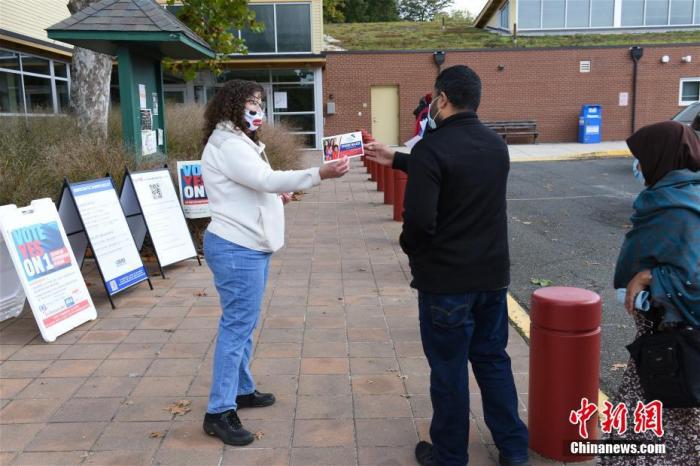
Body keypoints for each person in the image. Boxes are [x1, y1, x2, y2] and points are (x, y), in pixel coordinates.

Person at [365, 65, 529, 466]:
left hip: (446, 284)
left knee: (449, 371)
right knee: (492, 361)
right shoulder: (495, 145)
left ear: (441, 99)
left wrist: (411, 250)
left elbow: (419, 219)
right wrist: (399, 159)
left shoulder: (432, 149)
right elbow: (459, 174)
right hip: (493, 280)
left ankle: (450, 455)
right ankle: (514, 448)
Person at [200, 79, 350, 446]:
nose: (257, 109)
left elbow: (249, 188)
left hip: (247, 245)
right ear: (233, 105)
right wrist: (318, 174)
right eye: (251, 102)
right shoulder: (229, 143)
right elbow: (263, 179)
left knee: (243, 324)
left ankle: (242, 389)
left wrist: (275, 197)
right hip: (238, 248)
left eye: (260, 102)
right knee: (237, 327)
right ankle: (219, 411)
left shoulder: (239, 140)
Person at [601, 120, 700, 466]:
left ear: (662, 157)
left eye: (643, 158)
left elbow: (693, 280)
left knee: (650, 436)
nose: (639, 166)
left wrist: (650, 276)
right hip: (657, 347)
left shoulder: (678, 209)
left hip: (673, 351)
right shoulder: (675, 196)